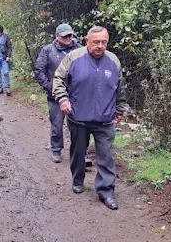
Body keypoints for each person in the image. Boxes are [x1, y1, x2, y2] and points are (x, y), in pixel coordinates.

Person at [52, 26, 131, 210]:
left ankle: (106, 192)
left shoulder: (113, 61)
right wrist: (63, 99)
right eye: (96, 42)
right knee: (78, 153)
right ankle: (78, 179)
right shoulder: (74, 57)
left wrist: (120, 110)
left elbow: (120, 88)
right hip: (78, 117)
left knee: (106, 155)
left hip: (105, 120)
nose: (100, 46)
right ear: (87, 41)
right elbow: (58, 80)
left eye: (104, 42)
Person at [35, 23, 91, 165]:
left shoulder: (81, 49)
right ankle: (56, 149)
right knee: (56, 124)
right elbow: (39, 70)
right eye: (64, 35)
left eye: (70, 35)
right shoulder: (47, 50)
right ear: (57, 36)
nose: (68, 38)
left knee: (80, 126)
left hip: (77, 96)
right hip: (55, 96)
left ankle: (82, 154)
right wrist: (49, 86)